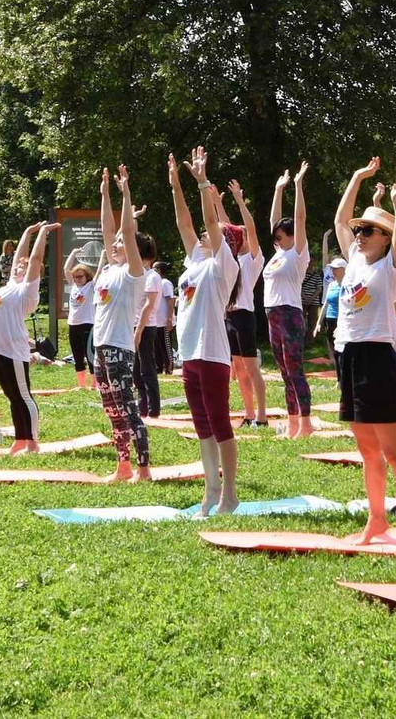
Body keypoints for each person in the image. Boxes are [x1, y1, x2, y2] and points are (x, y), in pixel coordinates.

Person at [333, 148, 396, 546]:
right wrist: (358, 176)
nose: (360, 235)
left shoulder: (392, 265)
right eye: (359, 231)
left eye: (368, 230)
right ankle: (376, 520)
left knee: (395, 452)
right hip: (349, 355)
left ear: (386, 239)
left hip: (378, 357)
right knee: (368, 451)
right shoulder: (354, 259)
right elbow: (340, 219)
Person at [168, 147, 242, 515]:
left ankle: (229, 493)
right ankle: (210, 491)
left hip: (212, 354)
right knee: (201, 426)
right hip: (190, 354)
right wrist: (175, 186)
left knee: (220, 422)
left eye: (208, 233)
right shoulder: (196, 262)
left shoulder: (222, 265)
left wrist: (202, 183)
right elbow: (185, 225)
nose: (200, 234)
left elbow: (211, 223)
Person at [93, 166, 154, 481]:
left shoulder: (134, 274)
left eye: (121, 242)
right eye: (114, 243)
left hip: (118, 348)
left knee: (129, 410)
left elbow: (126, 233)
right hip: (101, 349)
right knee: (112, 411)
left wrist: (126, 193)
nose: (115, 243)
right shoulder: (109, 271)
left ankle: (144, 470)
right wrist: (105, 194)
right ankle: (123, 466)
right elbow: (108, 228)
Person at [0, 221, 51, 455]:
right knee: (11, 395)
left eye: (23, 268)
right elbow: (20, 257)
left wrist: (42, 234)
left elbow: (33, 260)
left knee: (23, 395)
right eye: (17, 267)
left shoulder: (27, 291)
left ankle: (32, 442)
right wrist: (27, 232)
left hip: (14, 350)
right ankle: (20, 439)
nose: (18, 267)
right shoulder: (11, 285)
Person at [263, 163, 315, 439]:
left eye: (281, 236)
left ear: (292, 237)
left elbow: (300, 218)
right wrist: (277, 190)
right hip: (272, 314)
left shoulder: (297, 253)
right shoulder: (278, 253)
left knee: (295, 369)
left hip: (290, 314)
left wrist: (296, 185)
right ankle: (292, 422)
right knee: (284, 371)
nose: (277, 238)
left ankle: (305, 424)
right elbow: (274, 222)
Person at [224, 181, 270, 431]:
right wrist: (215, 203)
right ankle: (248, 413)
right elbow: (225, 229)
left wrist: (240, 201)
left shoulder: (253, 259)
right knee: (239, 369)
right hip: (229, 317)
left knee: (252, 369)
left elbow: (248, 229)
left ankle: (262, 417)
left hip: (244, 317)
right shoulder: (231, 259)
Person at [136, 254, 172, 420]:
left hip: (147, 326)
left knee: (147, 369)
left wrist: (139, 330)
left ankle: (153, 410)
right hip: (134, 325)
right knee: (136, 370)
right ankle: (142, 407)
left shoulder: (153, 277)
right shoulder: (135, 275)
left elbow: (149, 305)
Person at [63, 243, 99, 391]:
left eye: (80, 276)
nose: (77, 279)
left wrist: (103, 256)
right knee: (77, 355)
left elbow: (99, 271)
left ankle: (94, 385)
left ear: (86, 276)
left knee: (90, 355)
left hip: (87, 324)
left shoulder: (90, 286)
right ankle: (81, 385)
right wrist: (73, 252)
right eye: (75, 277)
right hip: (73, 324)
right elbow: (66, 269)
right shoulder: (73, 286)